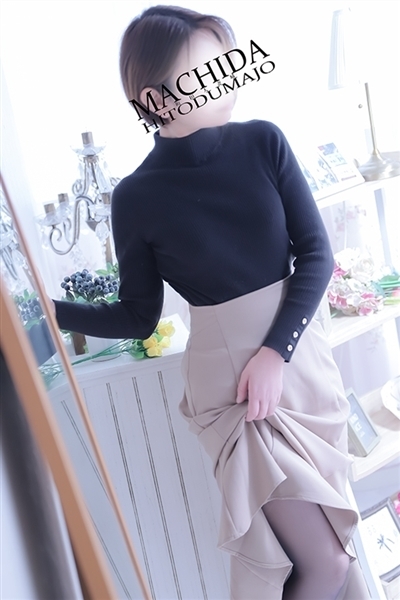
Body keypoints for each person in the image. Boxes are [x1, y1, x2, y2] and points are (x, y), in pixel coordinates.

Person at [53, 6, 371, 600]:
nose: (225, 79)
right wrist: (50, 314)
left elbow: (316, 255)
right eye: (203, 71)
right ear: (155, 97)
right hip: (234, 390)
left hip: (299, 362)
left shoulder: (263, 141)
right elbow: (138, 315)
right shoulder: (136, 196)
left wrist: (276, 353)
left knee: (338, 553)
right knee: (324, 564)